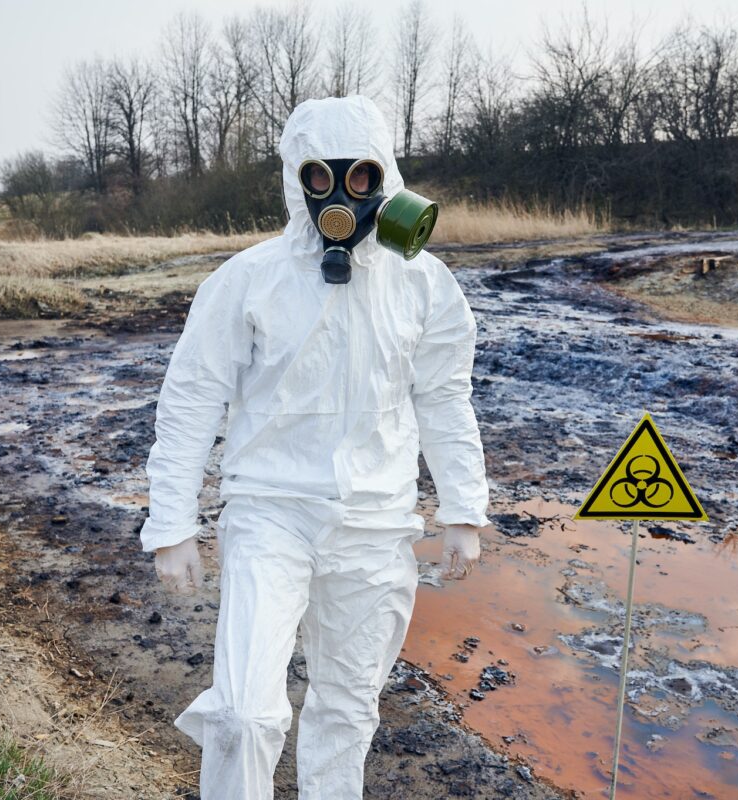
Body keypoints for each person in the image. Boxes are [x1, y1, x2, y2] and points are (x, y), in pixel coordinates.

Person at [139, 95, 491, 799]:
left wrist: (463, 509)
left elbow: (445, 399)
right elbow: (192, 400)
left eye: (361, 176)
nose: (342, 196)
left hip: (376, 524)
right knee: (243, 714)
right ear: (295, 180)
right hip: (270, 513)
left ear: (387, 178)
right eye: (321, 176)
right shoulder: (250, 280)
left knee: (347, 710)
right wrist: (171, 523)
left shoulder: (423, 283)